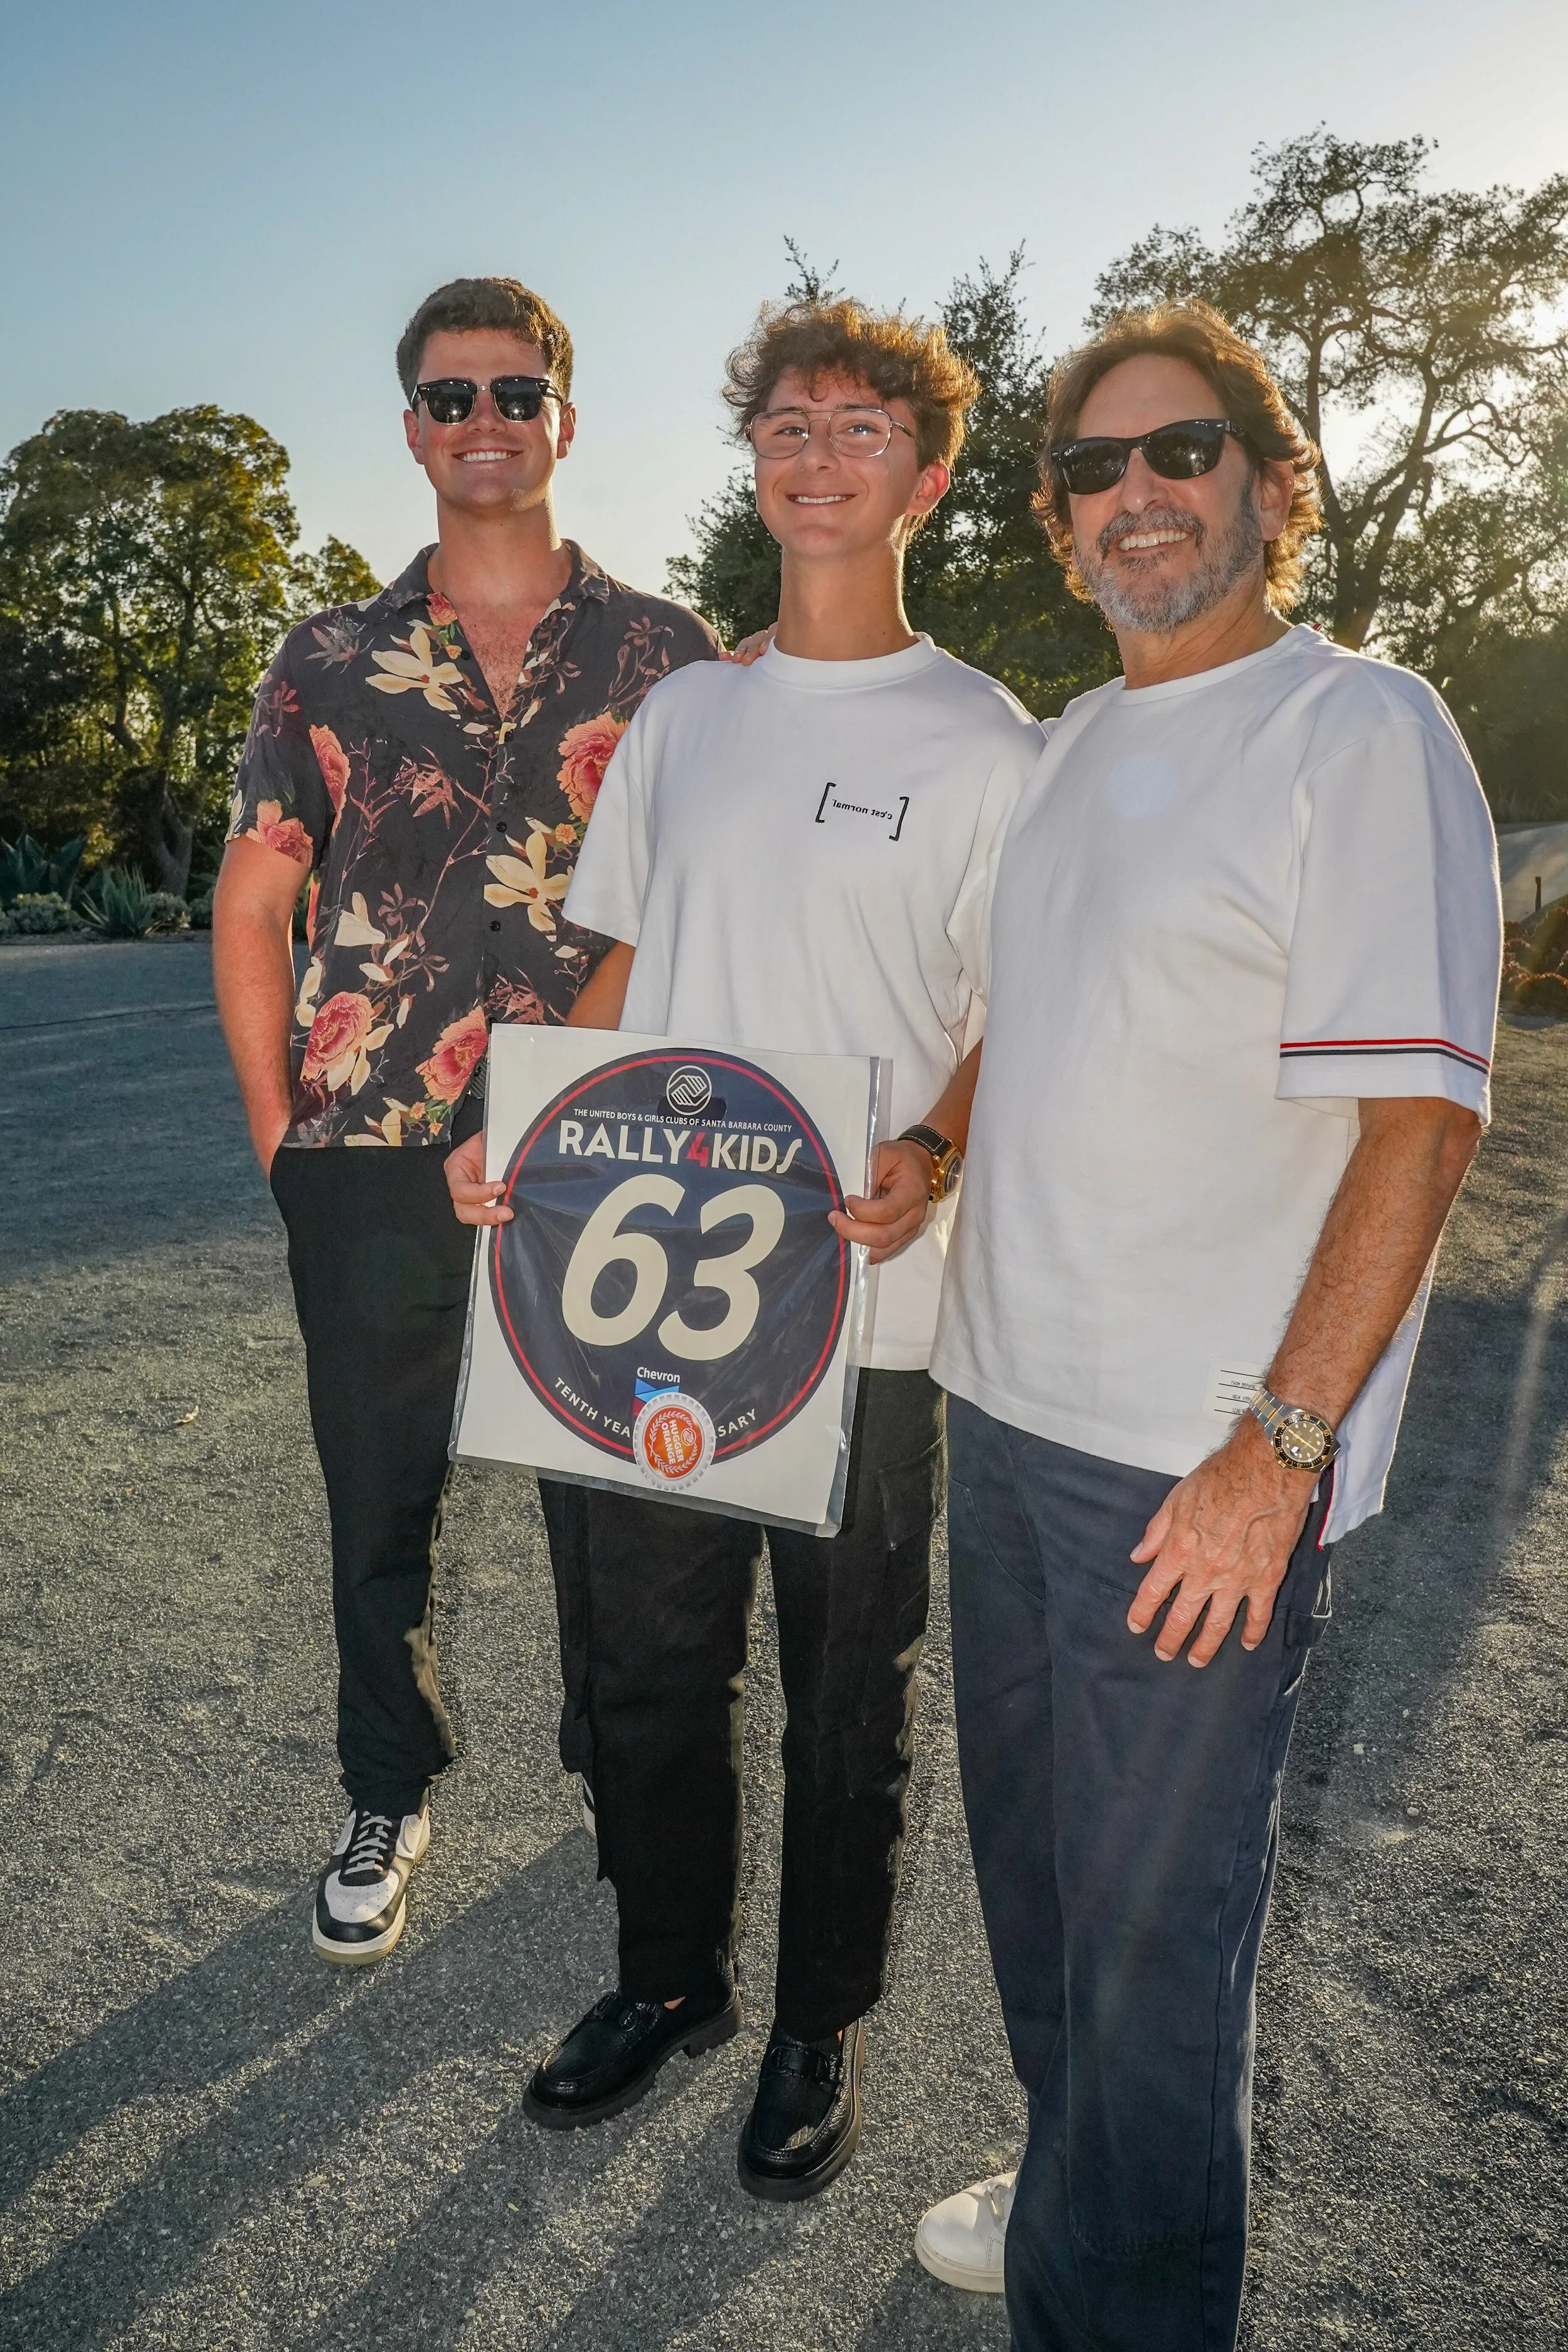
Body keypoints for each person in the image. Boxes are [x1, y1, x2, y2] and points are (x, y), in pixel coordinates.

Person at [916, 301, 1501, 2346]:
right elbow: (1022, 1014)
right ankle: (1079, 2181)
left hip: (1192, 1466)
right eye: (1092, 469)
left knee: (1157, 1949)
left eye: (1178, 454)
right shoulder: (1070, 748)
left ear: (1270, 485)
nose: (1133, 495)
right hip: (997, 1415)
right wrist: (924, 1147)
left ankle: (1122, 2294)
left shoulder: (1356, 727)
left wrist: (1276, 1447)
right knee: (1037, 1887)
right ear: (1062, 522)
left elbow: (1419, 1114)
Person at [448, 295, 1046, 2198]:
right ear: (755, 459)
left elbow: (1007, 1003)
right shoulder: (689, 712)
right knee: (644, 1664)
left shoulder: (984, 740)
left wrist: (934, 1148)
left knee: (842, 1694)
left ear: (925, 476)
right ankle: (668, 1981)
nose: (813, 452)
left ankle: (815, 2023)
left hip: (862, 1305)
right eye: (785, 422)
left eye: (858, 427)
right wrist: (528, 1139)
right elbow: (618, 956)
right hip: (664, 1296)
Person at [213, 276, 718, 1965]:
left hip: (603, 1146)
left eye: (516, 393)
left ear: (565, 420)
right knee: (379, 1496)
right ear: (411, 425)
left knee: (615, 1493)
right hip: (371, 1150)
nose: (483, 422)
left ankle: (620, 1763)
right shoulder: (330, 658)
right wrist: (283, 1128)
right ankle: (386, 1778)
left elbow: (715, 897)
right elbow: (252, 895)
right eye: (450, 397)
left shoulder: (667, 656)